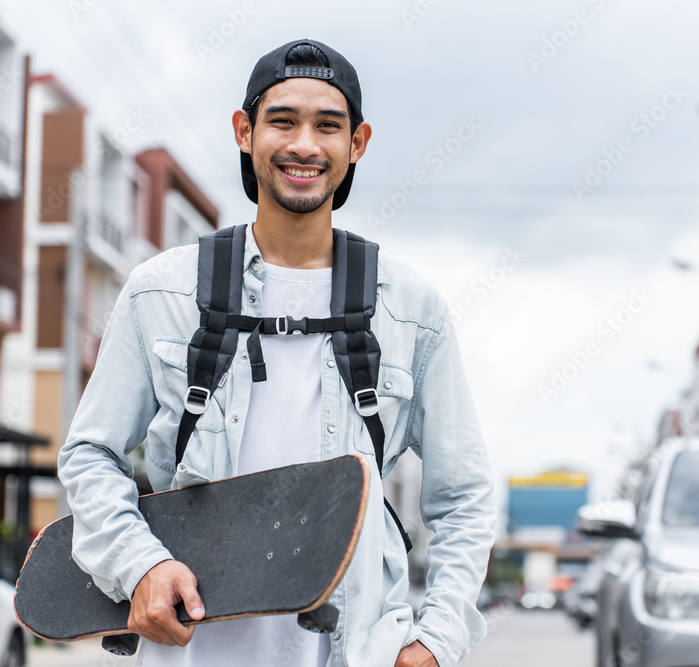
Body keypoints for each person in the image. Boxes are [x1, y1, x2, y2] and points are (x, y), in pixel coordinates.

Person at [57, 38, 495, 667]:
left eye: (328, 126)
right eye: (283, 120)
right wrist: (140, 564)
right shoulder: (162, 291)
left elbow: (464, 497)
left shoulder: (410, 309)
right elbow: (90, 453)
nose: (305, 146)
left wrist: (436, 639)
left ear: (358, 143)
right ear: (245, 131)